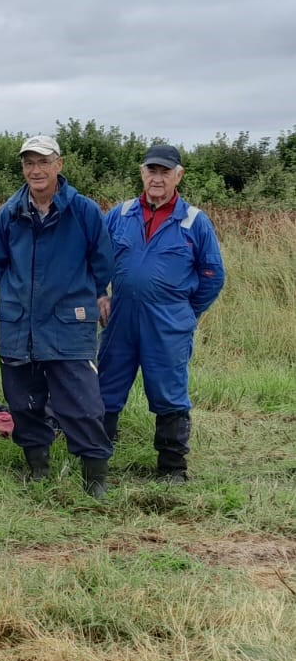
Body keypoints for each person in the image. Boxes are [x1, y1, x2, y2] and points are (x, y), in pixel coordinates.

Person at [0, 135, 115, 498]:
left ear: (59, 164)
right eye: (29, 163)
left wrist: (80, 297)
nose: (36, 170)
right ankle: (38, 470)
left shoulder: (85, 211)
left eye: (43, 162)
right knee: (23, 402)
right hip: (19, 325)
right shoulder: (8, 214)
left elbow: (102, 263)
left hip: (69, 323)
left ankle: (95, 481)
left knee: (82, 404)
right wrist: (22, 299)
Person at [98, 144, 225, 483]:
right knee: (106, 386)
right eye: (151, 171)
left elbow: (213, 275)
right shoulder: (119, 215)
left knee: (169, 392)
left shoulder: (194, 221)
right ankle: (96, 458)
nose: (157, 178)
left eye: (164, 172)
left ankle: (172, 468)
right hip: (120, 318)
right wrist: (99, 294)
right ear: (142, 173)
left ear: (178, 175)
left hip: (168, 323)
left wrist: (185, 312)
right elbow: (94, 258)